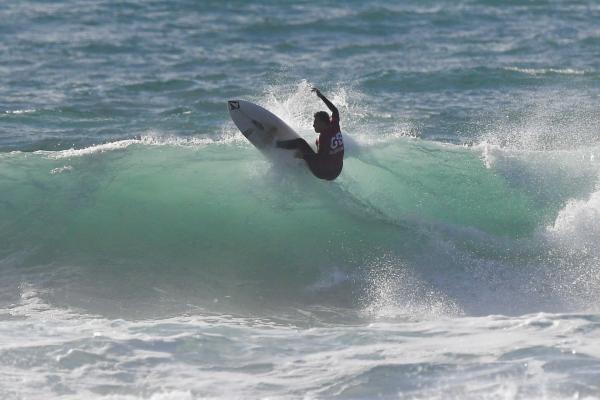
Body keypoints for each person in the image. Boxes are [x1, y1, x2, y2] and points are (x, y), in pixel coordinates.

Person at [276, 88, 344, 181]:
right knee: (320, 151)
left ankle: (275, 144)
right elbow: (335, 110)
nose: (313, 125)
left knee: (300, 142)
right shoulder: (335, 125)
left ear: (323, 123)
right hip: (338, 171)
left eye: (316, 122)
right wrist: (321, 96)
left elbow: (319, 159)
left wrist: (303, 156)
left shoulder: (323, 137)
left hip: (323, 173)